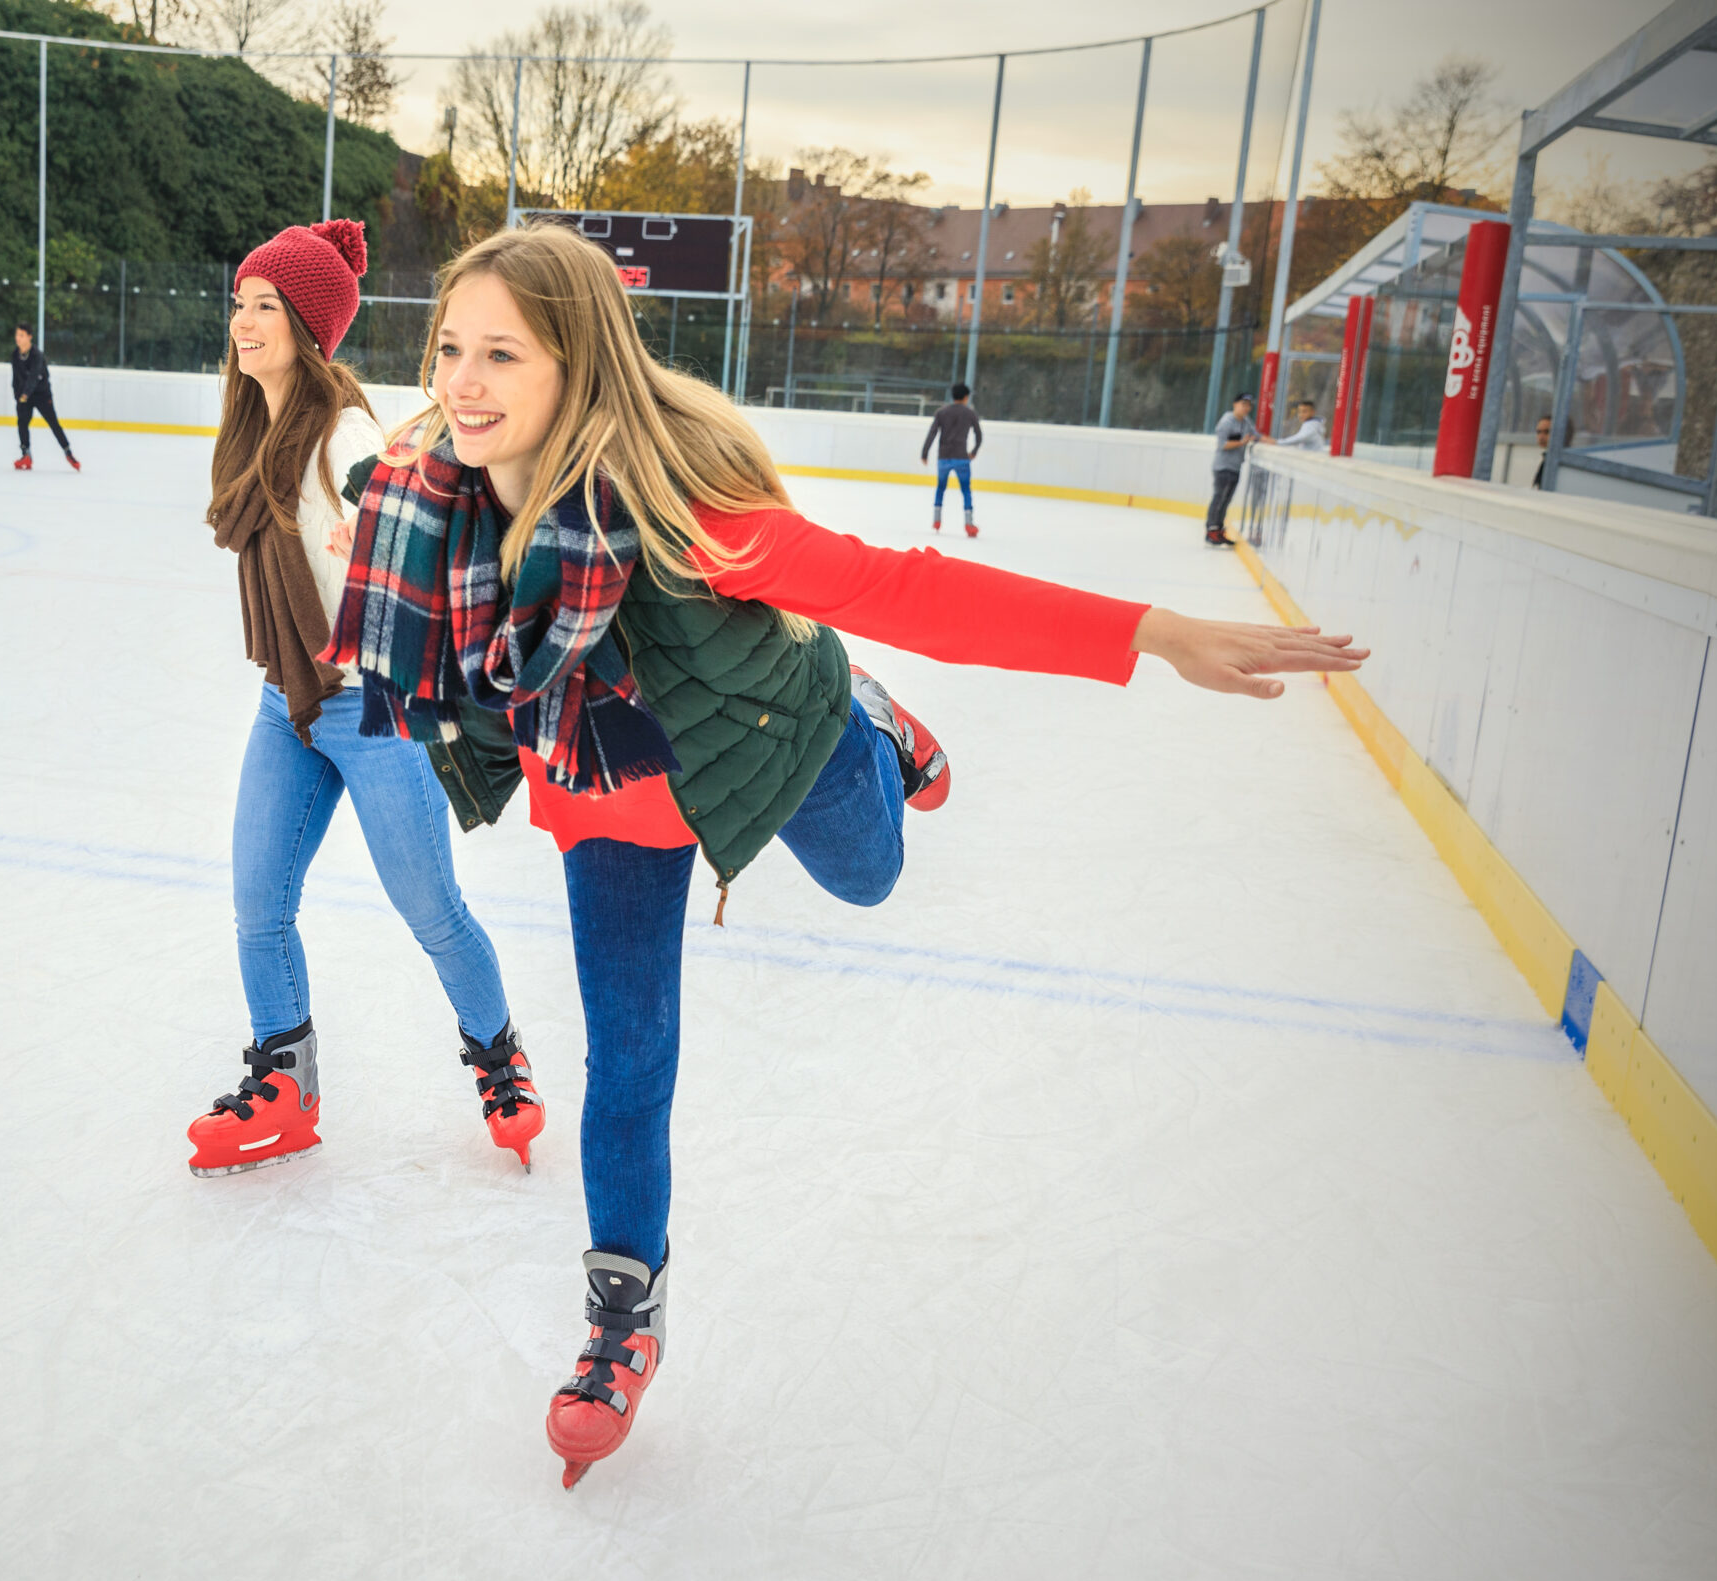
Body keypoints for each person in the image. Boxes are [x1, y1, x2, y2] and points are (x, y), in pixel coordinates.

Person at [324, 225, 1366, 1488]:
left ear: (578, 364)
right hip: (609, 798)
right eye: (450, 347)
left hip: (772, 732)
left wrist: (1147, 629)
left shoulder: (683, 519)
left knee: (869, 876)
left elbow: (911, 588)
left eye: (503, 353)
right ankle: (620, 1317)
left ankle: (867, 716)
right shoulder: (426, 501)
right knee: (630, 1060)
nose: (464, 381)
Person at [188, 219, 544, 1180]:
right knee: (258, 902)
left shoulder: (342, 432)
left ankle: (499, 1058)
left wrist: (382, 550)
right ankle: (285, 1085)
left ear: (310, 327)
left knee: (431, 907)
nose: (244, 321)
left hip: (372, 703)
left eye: (268, 307)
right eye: (241, 303)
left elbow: (419, 529)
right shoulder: (253, 428)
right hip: (290, 700)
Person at [10, 324, 80, 472]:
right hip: (24, 395)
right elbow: (16, 378)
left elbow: (35, 376)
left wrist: (26, 393)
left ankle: (68, 452)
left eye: (21, 335)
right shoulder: (15, 355)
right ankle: (26, 454)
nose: (18, 338)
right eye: (17, 335)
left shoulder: (37, 355)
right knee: (22, 422)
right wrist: (18, 395)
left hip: (41, 394)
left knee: (53, 423)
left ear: (29, 337)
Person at [918, 381, 983, 536]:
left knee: (941, 488)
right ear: (966, 397)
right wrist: (973, 451)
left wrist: (924, 453)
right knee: (966, 490)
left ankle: (937, 520)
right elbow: (979, 435)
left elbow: (932, 433)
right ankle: (969, 524)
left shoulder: (942, 412)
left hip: (944, 457)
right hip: (961, 457)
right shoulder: (969, 413)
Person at [1207, 393, 1260, 545]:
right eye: (1243, 404)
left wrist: (1276, 442)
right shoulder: (1227, 421)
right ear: (1235, 405)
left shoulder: (1245, 422)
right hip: (1223, 466)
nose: (1246, 408)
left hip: (1235, 466)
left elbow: (1255, 435)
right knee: (1219, 498)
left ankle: (1219, 529)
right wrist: (1242, 442)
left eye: (1249, 405)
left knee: (1226, 500)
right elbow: (1222, 444)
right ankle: (1211, 530)